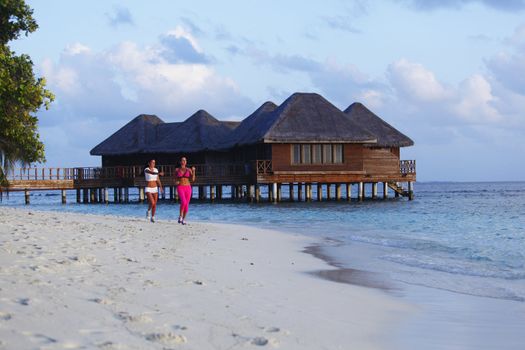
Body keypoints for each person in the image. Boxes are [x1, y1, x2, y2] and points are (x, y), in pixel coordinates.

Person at [175, 157, 195, 225]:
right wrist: (176, 182)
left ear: (186, 162)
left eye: (185, 160)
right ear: (180, 162)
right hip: (180, 187)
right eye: (182, 160)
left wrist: (194, 171)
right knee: (183, 201)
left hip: (188, 187)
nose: (184, 161)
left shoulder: (189, 170)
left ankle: (184, 219)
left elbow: (192, 179)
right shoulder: (177, 170)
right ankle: (180, 216)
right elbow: (174, 179)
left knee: (187, 204)